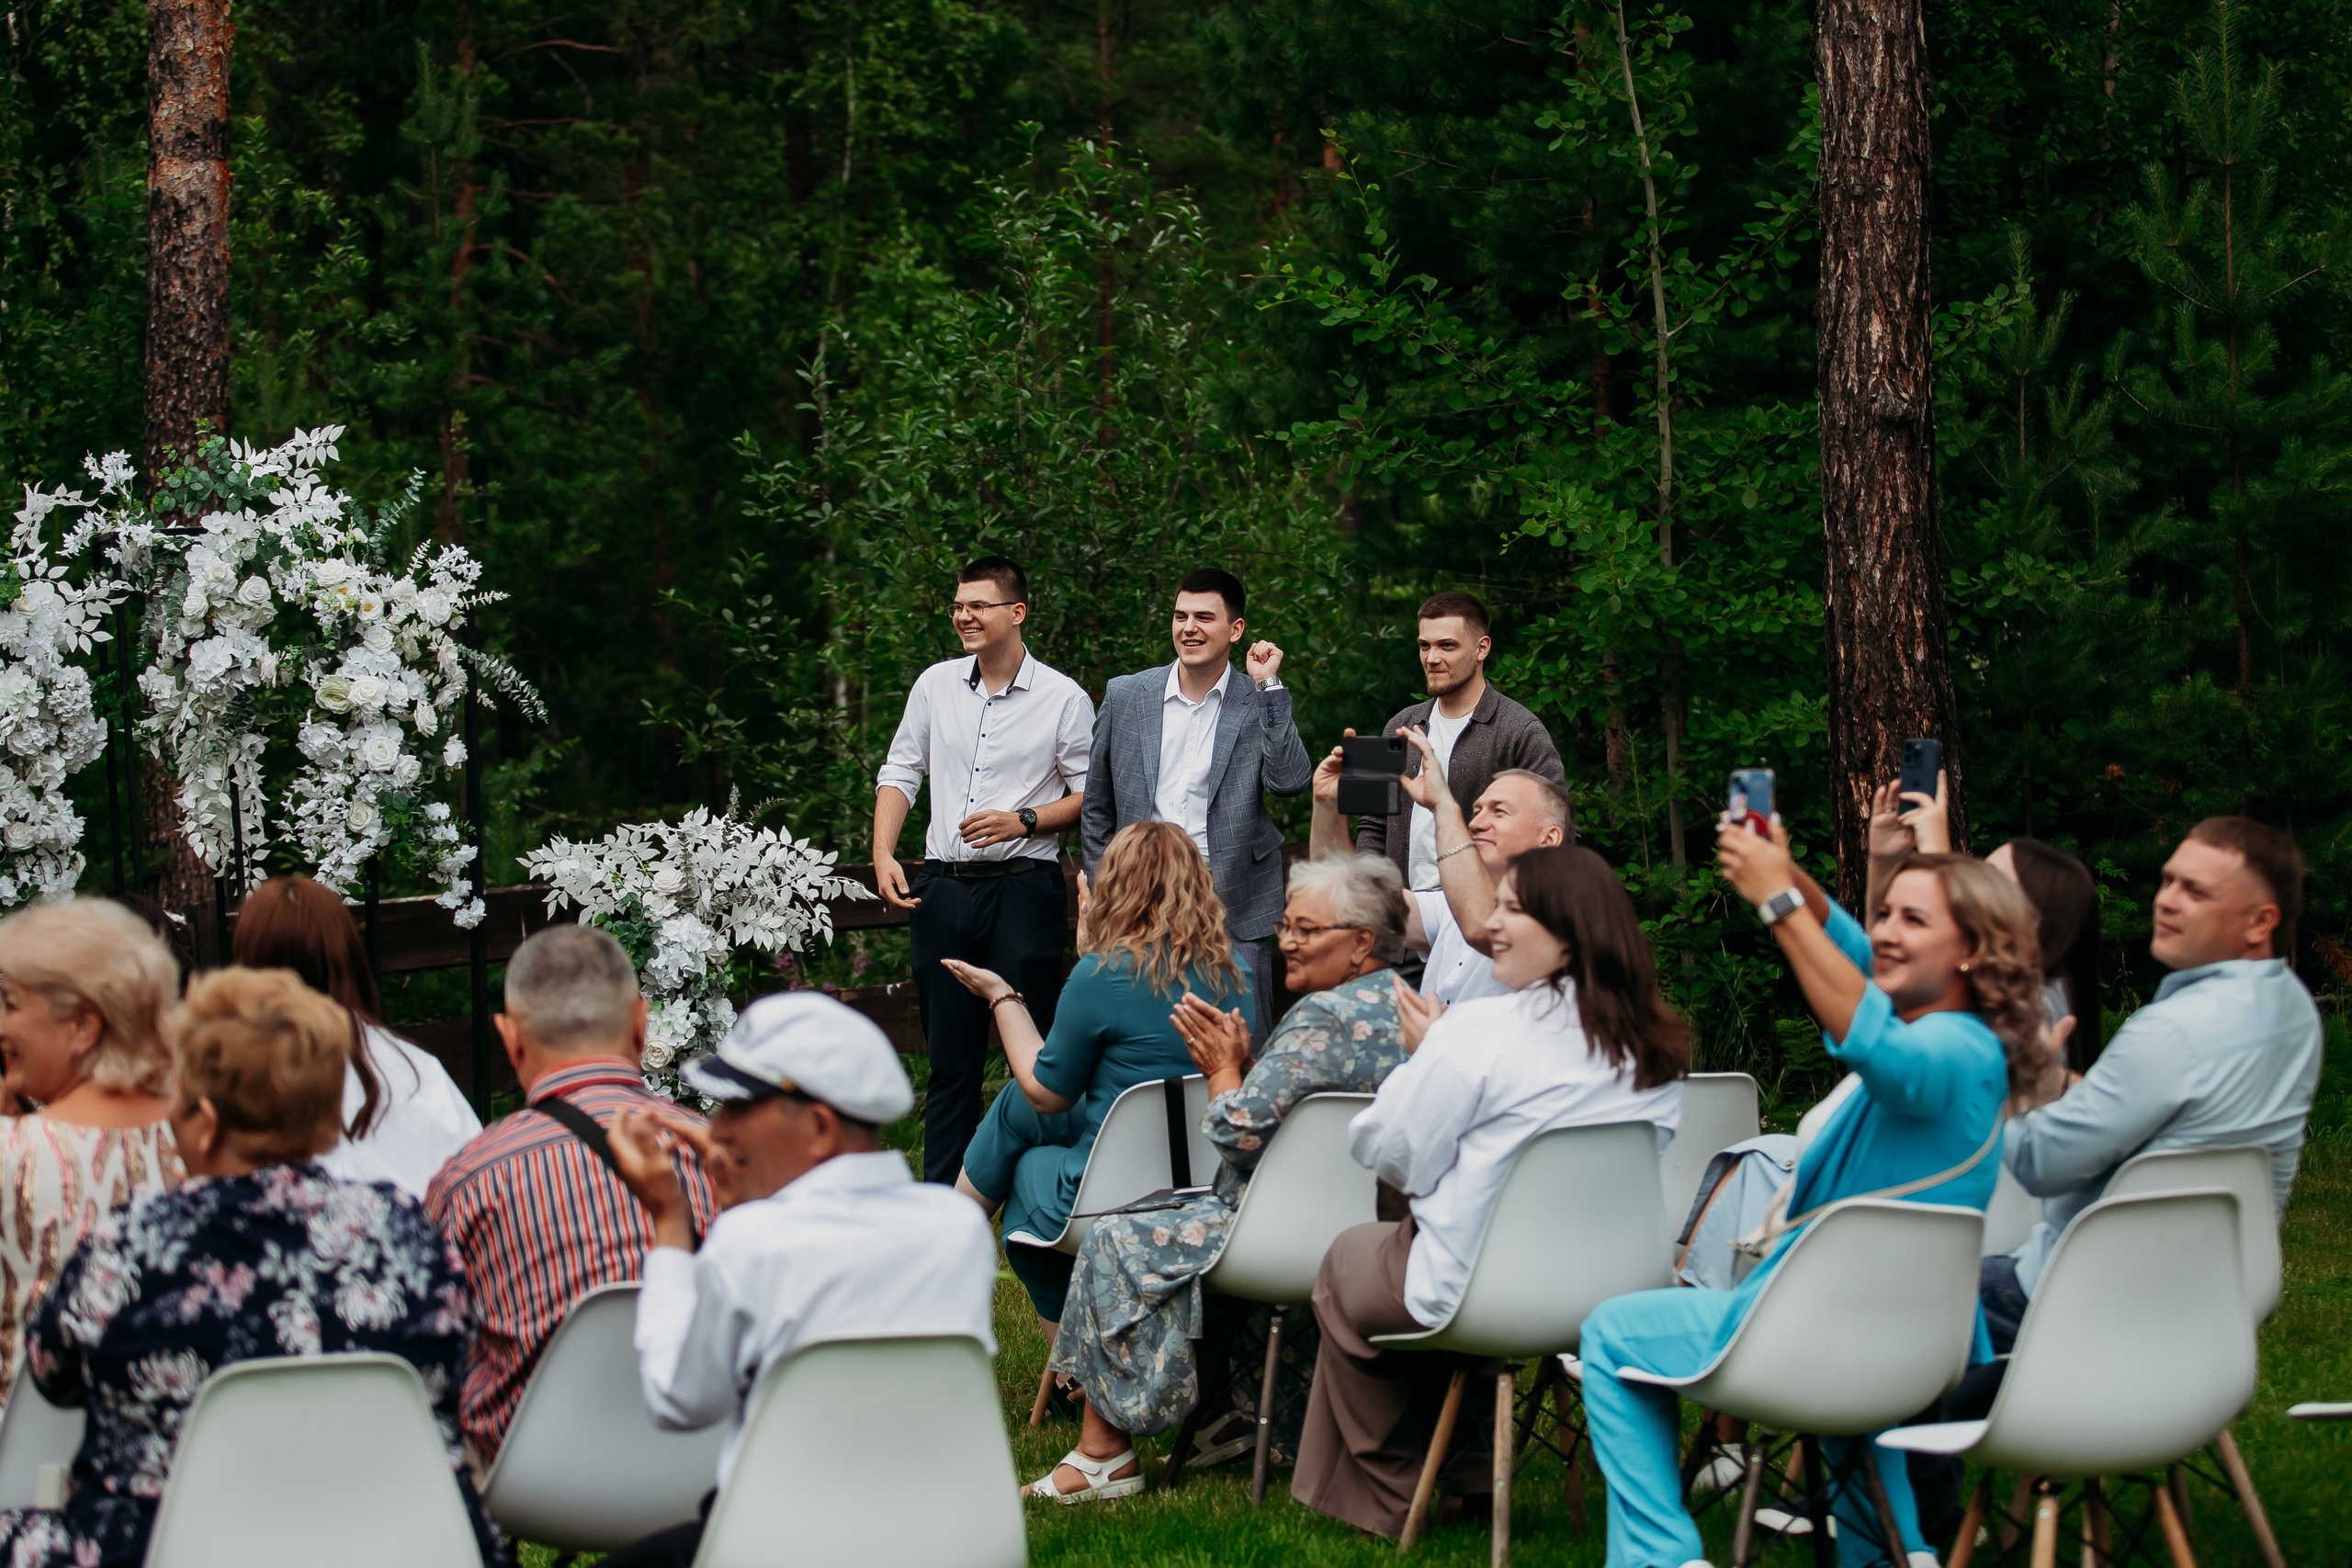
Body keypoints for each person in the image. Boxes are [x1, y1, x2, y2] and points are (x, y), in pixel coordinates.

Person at [1577, 818, 2039, 1568]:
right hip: (1898, 1342)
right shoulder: (1951, 1029)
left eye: (1913, 919)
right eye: (1888, 911)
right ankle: (1893, 1553)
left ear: (1973, 950)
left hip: (1814, 1332)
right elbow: (1854, 951)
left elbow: (1873, 1041)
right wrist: (1794, 878)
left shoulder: (1952, 1049)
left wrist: (1776, 902)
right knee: (1850, 1410)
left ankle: (1659, 1556)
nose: (1886, 931)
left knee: (1611, 1331)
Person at [0, 966, 498, 1567]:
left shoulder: (133, 1243)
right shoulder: (409, 1234)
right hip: (395, 1542)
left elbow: (52, 1375)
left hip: (163, 1548)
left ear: (207, 1120)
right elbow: (454, 1361)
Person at [1293, 845, 1689, 1540]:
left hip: (1480, 1284)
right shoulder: (1649, 1048)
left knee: (1346, 1262)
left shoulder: (1478, 1030)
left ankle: (1391, 1487)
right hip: (1613, 1288)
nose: (1490, 926)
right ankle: (1471, 1472)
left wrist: (1428, 1054)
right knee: (1420, 1247)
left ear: (1566, 933)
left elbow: (1385, 1147)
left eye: (1512, 909)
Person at [1032, 852, 1416, 1503]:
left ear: (1360, 943)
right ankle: (1225, 1410)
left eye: (1305, 929)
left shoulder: (1318, 1021)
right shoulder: (1415, 1008)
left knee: (1116, 1236)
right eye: (1285, 924)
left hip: (1272, 1235)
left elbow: (1235, 1135)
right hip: (1373, 1233)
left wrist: (1224, 1066)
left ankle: (1103, 1455)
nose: (1286, 940)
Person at [596, 992, 998, 1568]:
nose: (719, 1127)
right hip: (946, 1539)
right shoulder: (957, 1230)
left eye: (739, 1106)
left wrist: (669, 1221)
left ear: (816, 1126)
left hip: (769, 1543)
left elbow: (675, 1399)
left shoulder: (751, 1243)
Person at [1986, 817, 2321, 1342]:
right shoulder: (2294, 1012)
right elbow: (2171, 1114)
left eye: (2195, 891)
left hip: (2076, 1294)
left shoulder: (2171, 1031)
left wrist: (2019, 1089)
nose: (2166, 900)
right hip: (2216, 1288)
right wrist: (2057, 1084)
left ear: (2261, 922)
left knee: (1893, 1296)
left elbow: (2037, 1165)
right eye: (2168, 881)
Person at [425, 923, 718, 1467]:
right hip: (701, 1446)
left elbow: (439, 1342)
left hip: (535, 1469)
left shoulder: (469, 1177)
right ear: (640, 1023)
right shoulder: (720, 1156)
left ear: (511, 1038)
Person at [942, 820, 1248, 1329]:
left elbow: (1048, 1093)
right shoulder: (1235, 969)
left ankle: (1074, 1358)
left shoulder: (1102, 975)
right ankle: (943, 1237)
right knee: (1014, 1108)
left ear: (1118, 887)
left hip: (1113, 1187)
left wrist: (1001, 996)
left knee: (1026, 1155)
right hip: (1202, 1173)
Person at [875, 555, 1094, 1184]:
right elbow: (900, 770)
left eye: (978, 605)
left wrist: (1025, 820)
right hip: (942, 887)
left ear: (1016, 612)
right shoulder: (935, 685)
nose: (963, 615)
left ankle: (1056, 1182)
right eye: (958, 605)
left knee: (1046, 1049)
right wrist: (887, 852)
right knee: (950, 1059)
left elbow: (1091, 795)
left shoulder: (1063, 698)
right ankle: (943, 1201)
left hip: (1023, 890)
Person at [1080, 567, 1312, 1042]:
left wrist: (1269, 686)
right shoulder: (1127, 695)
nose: (1189, 628)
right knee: (1143, 1036)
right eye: (1180, 616)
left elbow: (1290, 781)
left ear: (1236, 629)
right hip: (1141, 896)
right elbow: (1097, 807)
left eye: (1204, 617)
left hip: (1234, 897)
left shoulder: (1255, 700)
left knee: (1242, 1040)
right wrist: (1111, 888)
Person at [0, 899, 185, 1412]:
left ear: (84, 1024)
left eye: (10, 1005)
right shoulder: (206, 1138)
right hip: (184, 1456)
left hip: (23, 1468)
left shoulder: (12, 1152)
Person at [232, 873, 481, 1198]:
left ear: (247, 967)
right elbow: (476, 1188)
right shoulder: (418, 1074)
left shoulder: (225, 1083)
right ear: (345, 953)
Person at [1312, 726, 1573, 1007]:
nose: (1476, 823)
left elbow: (1480, 928)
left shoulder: (1561, 915)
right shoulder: (1448, 905)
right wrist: (1326, 803)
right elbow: (1344, 892)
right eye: (1476, 811)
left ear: (1549, 838)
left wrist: (1442, 804)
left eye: (1499, 811)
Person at [1868, 777, 2104, 1076]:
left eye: (1991, 879)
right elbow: (1879, 963)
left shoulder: (2036, 1007)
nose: (1977, 885)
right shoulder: (2028, 991)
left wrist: (1939, 858)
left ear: (2034, 920)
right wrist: (1884, 860)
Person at [1352, 591, 1568, 890]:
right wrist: (1371, 899)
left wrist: (1510, 905)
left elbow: (1556, 833)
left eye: (1447, 646)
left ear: (1482, 648)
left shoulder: (1520, 731)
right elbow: (1373, 824)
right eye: (1424, 646)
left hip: (1482, 915)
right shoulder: (1398, 726)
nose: (1432, 658)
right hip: (1404, 912)